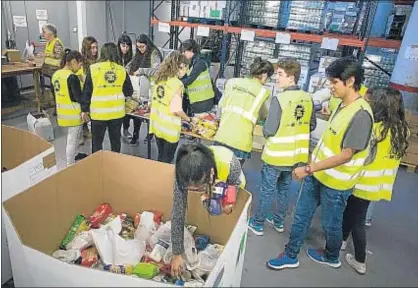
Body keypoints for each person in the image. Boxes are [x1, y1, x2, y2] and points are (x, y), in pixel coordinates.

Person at [267, 57, 373, 270]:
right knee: (301, 215)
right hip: (317, 175)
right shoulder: (342, 104)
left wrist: (309, 168)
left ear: (350, 81)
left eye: (334, 82)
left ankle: (332, 255)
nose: (330, 87)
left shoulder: (361, 114)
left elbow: (346, 155)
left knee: (330, 224)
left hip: (336, 184)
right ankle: (290, 254)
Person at [341, 88, 409, 275]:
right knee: (352, 212)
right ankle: (342, 239)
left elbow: (364, 156)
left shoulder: (376, 129)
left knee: (357, 220)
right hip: (381, 183)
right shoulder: (402, 130)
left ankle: (360, 259)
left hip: (363, 181)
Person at [248, 58, 317, 236]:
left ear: (291, 77)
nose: (276, 78)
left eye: (280, 74)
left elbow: (269, 129)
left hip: (276, 155)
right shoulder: (308, 99)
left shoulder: (280, 100)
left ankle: (257, 223)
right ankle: (279, 222)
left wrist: (265, 129)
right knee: (284, 189)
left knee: (267, 190)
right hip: (295, 157)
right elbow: (311, 125)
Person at [170, 143, 246, 277]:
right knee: (210, 207)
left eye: (198, 187)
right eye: (190, 188)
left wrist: (229, 202)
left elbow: (235, 183)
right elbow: (178, 212)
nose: (193, 190)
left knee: (219, 210)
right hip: (209, 185)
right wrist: (177, 253)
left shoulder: (230, 164)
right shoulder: (182, 174)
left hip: (228, 182)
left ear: (210, 173)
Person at [213, 57, 274, 166]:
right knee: (233, 176)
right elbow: (266, 115)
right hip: (241, 141)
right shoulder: (263, 93)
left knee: (215, 173)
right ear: (264, 76)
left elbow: (220, 106)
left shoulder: (232, 82)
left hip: (221, 136)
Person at [82, 42, 134, 153]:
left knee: (97, 143)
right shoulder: (121, 70)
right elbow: (129, 91)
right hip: (117, 113)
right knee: (115, 142)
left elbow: (87, 91)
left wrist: (84, 110)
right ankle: (114, 164)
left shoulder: (94, 69)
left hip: (98, 114)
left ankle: (97, 165)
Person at [149, 51, 192, 163]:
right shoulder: (177, 84)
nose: (186, 71)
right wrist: (188, 119)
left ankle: (158, 178)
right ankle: (164, 180)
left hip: (158, 125)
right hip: (170, 129)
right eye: (186, 68)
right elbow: (176, 109)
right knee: (167, 159)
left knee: (160, 156)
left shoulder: (159, 79)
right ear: (180, 67)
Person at [124, 34, 163, 146]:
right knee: (138, 112)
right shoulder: (138, 55)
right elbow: (130, 64)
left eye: (142, 47)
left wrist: (141, 70)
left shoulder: (154, 53)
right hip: (139, 88)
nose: (140, 49)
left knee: (150, 113)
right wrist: (126, 70)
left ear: (147, 44)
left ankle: (150, 134)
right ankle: (136, 135)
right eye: (138, 47)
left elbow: (157, 70)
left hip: (152, 89)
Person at [51, 49, 84, 167]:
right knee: (72, 141)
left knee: (70, 140)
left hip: (62, 114)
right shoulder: (72, 77)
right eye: (80, 65)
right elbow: (78, 98)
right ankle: (71, 164)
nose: (80, 68)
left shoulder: (56, 75)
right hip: (73, 114)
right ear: (74, 62)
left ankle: (73, 157)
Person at [180, 39, 215, 115]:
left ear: (191, 50)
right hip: (196, 100)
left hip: (203, 101)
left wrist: (174, 83)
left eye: (184, 51)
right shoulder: (192, 62)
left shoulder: (200, 62)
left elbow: (189, 80)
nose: (183, 53)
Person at [77, 36, 99, 145]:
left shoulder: (98, 61)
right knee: (83, 114)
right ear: (86, 49)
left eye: (96, 47)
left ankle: (87, 130)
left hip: (94, 93)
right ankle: (82, 132)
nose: (95, 50)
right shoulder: (81, 63)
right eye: (92, 48)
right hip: (83, 93)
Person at [41, 23, 64, 110]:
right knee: (52, 89)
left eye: (44, 32)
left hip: (56, 70)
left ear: (50, 33)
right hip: (49, 71)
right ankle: (56, 106)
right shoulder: (48, 43)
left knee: (56, 90)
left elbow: (58, 55)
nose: (43, 34)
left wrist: (46, 54)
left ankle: (59, 107)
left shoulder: (56, 42)